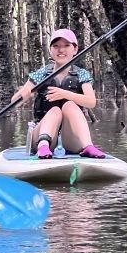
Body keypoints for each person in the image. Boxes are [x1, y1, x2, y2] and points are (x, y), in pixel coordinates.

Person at [11, 28, 106, 160]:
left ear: (75, 49)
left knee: (70, 106)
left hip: (70, 139)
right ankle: (43, 146)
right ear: (50, 50)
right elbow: (14, 102)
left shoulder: (82, 74)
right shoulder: (41, 74)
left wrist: (65, 94)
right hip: (40, 134)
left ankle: (88, 146)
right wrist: (23, 95)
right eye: (56, 46)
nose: (61, 50)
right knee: (55, 110)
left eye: (66, 45)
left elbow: (91, 102)